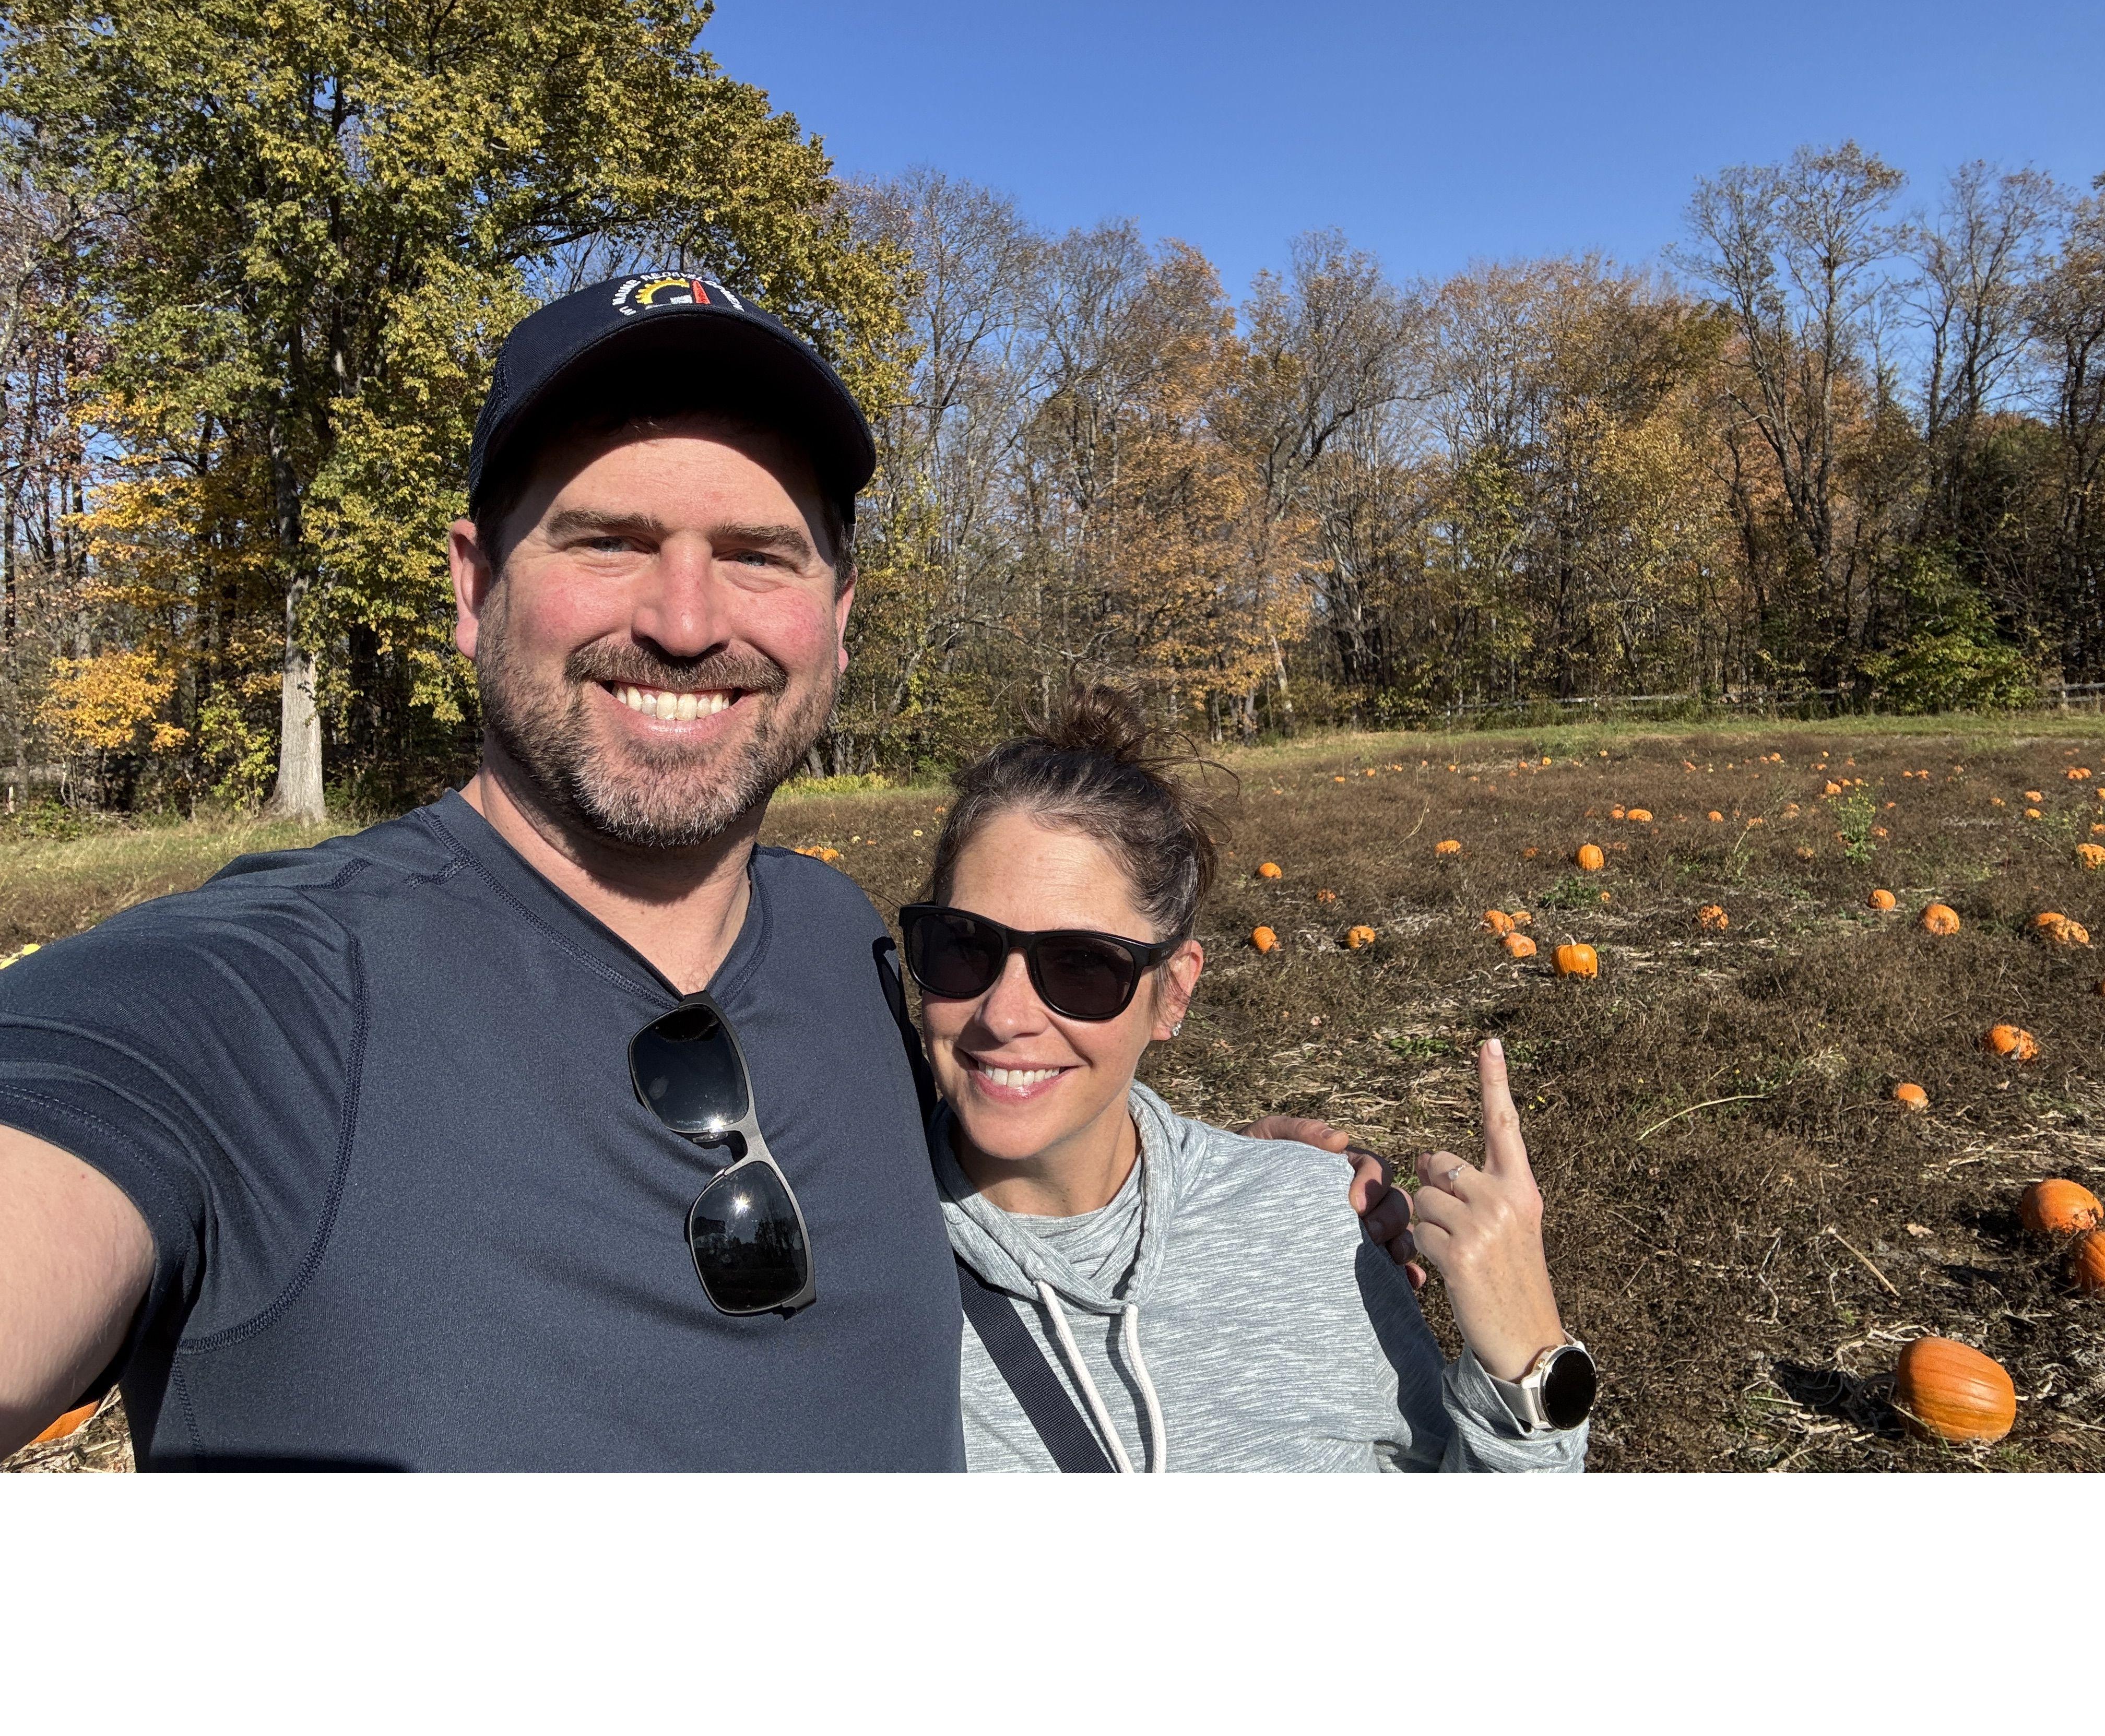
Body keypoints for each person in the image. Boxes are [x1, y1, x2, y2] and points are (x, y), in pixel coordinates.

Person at [0, 272, 1399, 1469]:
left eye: (757, 555)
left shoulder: (847, 941)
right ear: (475, 584)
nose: (683, 620)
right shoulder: (250, 1001)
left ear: (838, 624)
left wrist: (1220, 1183)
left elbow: (1017, 1096)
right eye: (608, 542)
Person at [904, 685, 1594, 1472]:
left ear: (1174, 991)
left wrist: (1529, 1363)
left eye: (1080, 965)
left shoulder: (1315, 1222)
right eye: (963, 946)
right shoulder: (854, 1257)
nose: (1005, 1015)